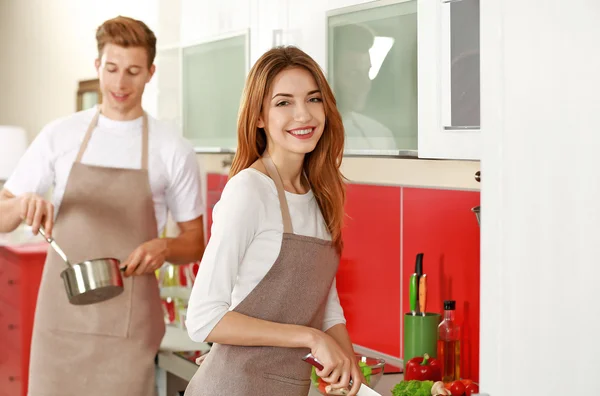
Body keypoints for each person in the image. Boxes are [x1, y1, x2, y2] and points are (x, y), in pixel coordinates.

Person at [0, 16, 205, 395]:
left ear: (150, 73)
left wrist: (166, 247)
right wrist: (23, 203)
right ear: (98, 66)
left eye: (132, 71)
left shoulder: (171, 148)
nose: (120, 83)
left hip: (130, 330)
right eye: (111, 69)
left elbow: (195, 241)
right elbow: (2, 215)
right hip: (59, 326)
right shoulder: (59, 135)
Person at [183, 46, 363, 396]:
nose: (303, 114)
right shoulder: (249, 191)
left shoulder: (320, 196)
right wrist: (311, 338)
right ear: (260, 117)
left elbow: (326, 307)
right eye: (284, 102)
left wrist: (347, 361)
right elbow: (203, 318)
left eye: (313, 99)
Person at [332, 24, 398, 151]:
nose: (365, 85)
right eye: (353, 74)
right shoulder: (307, 138)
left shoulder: (380, 136)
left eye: (367, 72)